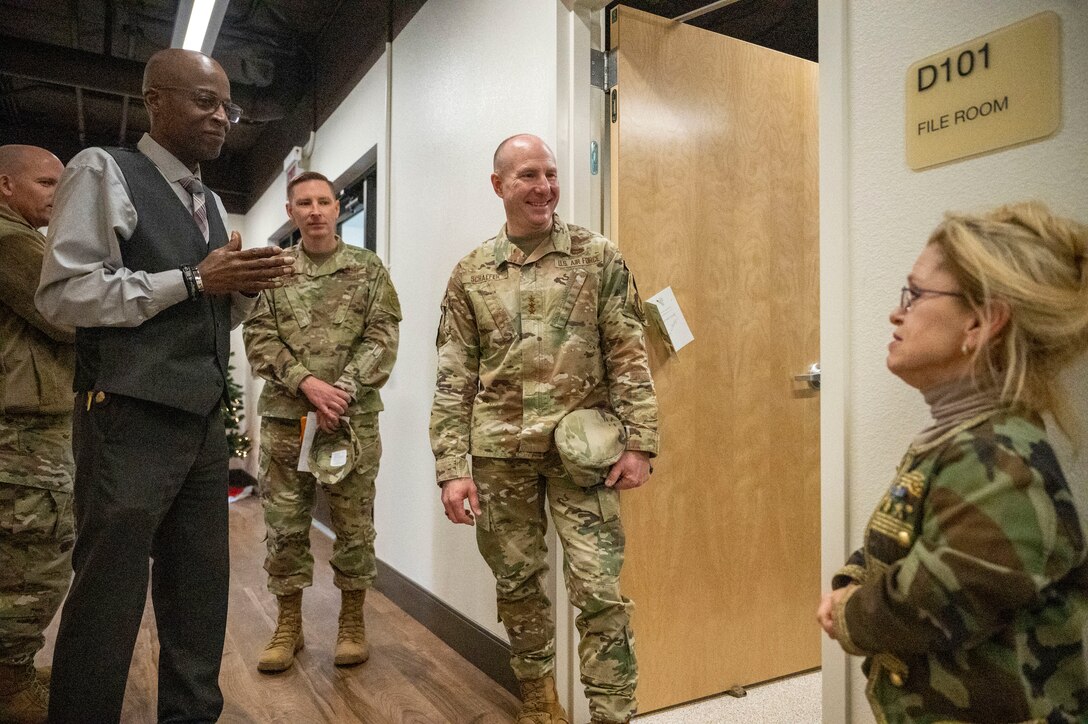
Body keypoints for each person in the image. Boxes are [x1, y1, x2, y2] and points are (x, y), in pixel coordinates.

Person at [35, 48, 295, 723]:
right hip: (127, 415)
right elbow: (63, 294)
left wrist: (244, 288)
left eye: (228, 107)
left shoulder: (208, 200)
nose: (221, 118)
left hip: (203, 421)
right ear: (155, 101)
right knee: (108, 595)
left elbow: (207, 304)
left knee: (200, 591)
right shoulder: (104, 170)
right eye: (204, 101)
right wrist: (192, 279)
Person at [817, 202, 1088, 723]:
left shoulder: (1002, 463)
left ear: (981, 322)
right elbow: (898, 539)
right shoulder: (954, 442)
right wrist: (852, 578)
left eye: (915, 296)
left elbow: (935, 599)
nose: (897, 313)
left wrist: (852, 611)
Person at [430, 134, 659, 724]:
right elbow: (454, 377)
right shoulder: (471, 274)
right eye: (528, 175)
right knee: (518, 582)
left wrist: (640, 442)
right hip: (500, 455)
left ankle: (613, 714)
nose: (544, 187)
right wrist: (452, 470)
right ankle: (537, 697)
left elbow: (629, 351)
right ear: (499, 185)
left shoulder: (596, 256)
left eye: (551, 175)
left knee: (599, 589)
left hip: (584, 453)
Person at [243, 170, 401, 673]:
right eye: (304, 203)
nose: (315, 211)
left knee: (355, 526)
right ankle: (288, 625)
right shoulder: (272, 271)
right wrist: (307, 383)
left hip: (351, 422)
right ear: (290, 212)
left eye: (324, 201)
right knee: (285, 526)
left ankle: (352, 622)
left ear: (337, 207)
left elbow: (383, 337)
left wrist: (343, 390)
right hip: (288, 420)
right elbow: (259, 340)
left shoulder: (368, 269)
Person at [0, 145, 71, 723]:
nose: (59, 192)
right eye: (48, 182)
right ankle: (9, 685)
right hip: (20, 437)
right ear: (5, 185)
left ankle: (13, 671)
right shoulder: (9, 241)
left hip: (26, 432)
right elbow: (69, 315)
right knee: (31, 561)